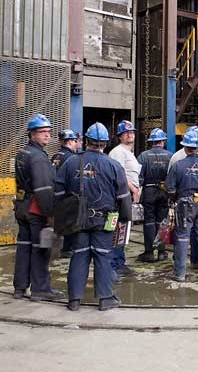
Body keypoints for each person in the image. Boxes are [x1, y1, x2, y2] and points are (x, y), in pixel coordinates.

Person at [56, 122, 132, 311]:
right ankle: (105, 298)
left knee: (79, 255)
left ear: (86, 141)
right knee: (103, 256)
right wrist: (124, 221)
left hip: (78, 220)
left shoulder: (71, 163)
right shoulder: (113, 165)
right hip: (104, 221)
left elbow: (58, 193)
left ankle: (74, 299)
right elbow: (123, 197)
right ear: (105, 143)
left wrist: (62, 217)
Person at [13, 114, 65, 301]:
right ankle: (40, 288)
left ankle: (20, 287)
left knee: (24, 247)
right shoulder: (39, 158)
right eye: (42, 132)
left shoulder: (22, 154)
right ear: (32, 134)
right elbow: (44, 189)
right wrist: (50, 214)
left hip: (22, 206)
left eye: (48, 132)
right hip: (36, 209)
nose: (47, 136)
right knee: (41, 248)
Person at [165, 129, 198, 282]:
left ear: (186, 148)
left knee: (182, 238)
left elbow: (170, 188)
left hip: (184, 205)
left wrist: (176, 198)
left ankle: (180, 274)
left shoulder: (178, 165)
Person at [108, 120, 140, 278]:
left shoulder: (128, 153)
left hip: (127, 196)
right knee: (117, 230)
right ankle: (114, 264)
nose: (130, 134)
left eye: (132, 132)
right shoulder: (118, 152)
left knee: (123, 230)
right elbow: (117, 175)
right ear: (120, 136)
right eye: (126, 132)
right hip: (120, 197)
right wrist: (133, 188)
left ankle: (119, 261)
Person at [168, 126, 198, 268]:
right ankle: (197, 261)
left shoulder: (175, 157)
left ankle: (179, 264)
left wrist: (174, 199)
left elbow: (170, 183)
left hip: (181, 201)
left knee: (181, 233)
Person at [136, 128, 173, 263]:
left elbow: (138, 177)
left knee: (149, 222)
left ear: (151, 142)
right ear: (162, 141)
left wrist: (137, 192)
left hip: (149, 191)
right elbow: (172, 176)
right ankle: (162, 252)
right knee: (162, 221)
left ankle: (149, 252)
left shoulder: (143, 156)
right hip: (164, 191)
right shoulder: (170, 156)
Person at [52, 129, 81, 259]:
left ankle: (64, 247)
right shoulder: (72, 158)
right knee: (71, 221)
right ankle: (67, 248)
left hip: (55, 194)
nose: (77, 144)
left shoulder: (55, 156)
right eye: (75, 141)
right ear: (69, 141)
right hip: (67, 194)